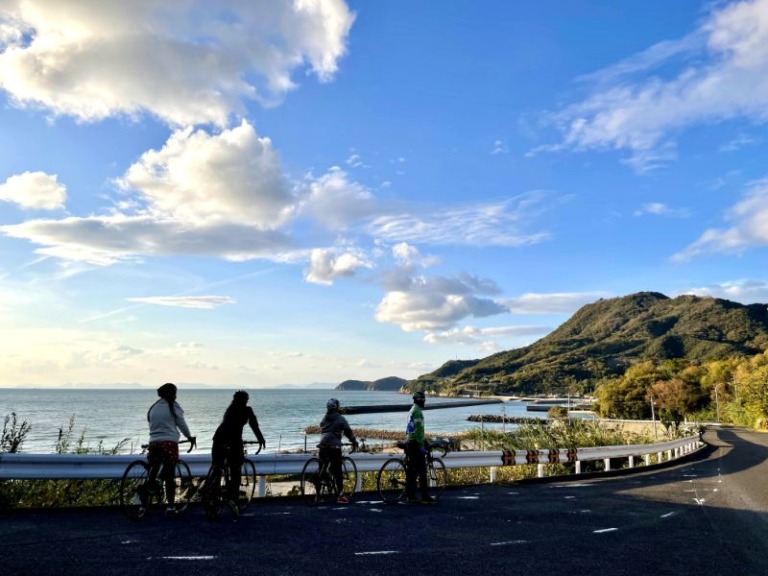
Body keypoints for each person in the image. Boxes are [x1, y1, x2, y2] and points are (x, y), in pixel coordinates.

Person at [211, 390, 266, 516]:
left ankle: (213, 499)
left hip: (218, 440)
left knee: (217, 469)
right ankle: (233, 501)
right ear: (246, 400)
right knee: (235, 472)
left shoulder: (229, 410)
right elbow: (254, 425)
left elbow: (228, 425)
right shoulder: (247, 410)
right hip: (234, 442)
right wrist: (260, 439)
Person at [146, 382, 196, 515]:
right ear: (172, 393)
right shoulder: (173, 406)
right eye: (175, 393)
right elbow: (181, 423)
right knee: (170, 476)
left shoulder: (154, 407)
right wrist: (189, 437)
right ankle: (170, 506)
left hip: (154, 442)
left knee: (154, 469)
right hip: (169, 442)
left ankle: (146, 498)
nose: (176, 396)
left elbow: (151, 423)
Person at [318, 398, 358, 504]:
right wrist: (354, 442)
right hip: (334, 447)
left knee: (322, 469)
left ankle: (317, 496)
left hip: (322, 446)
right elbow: (348, 432)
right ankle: (340, 497)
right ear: (337, 407)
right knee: (338, 473)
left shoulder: (324, 418)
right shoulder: (341, 419)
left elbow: (323, 427)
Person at [405, 390, 436, 504]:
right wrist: (422, 445)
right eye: (424, 400)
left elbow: (410, 429)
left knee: (412, 472)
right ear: (420, 400)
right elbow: (418, 431)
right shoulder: (418, 412)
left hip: (409, 442)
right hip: (415, 444)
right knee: (422, 471)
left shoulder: (411, 410)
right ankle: (424, 497)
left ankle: (410, 495)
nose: (425, 402)